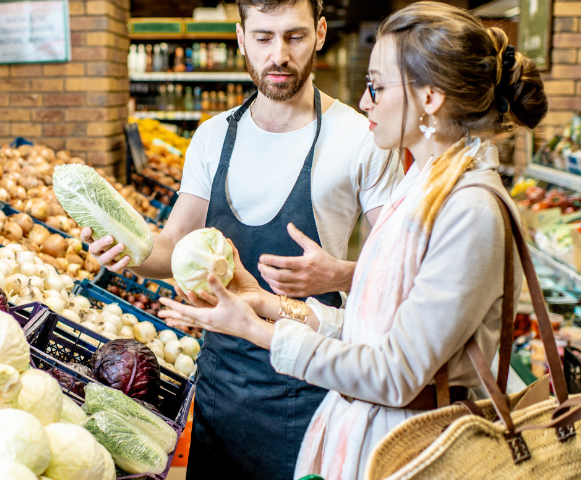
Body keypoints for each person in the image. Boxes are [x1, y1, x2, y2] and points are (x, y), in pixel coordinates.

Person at [158, 2, 549, 479]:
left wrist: (257, 329)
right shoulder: (425, 189)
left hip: (414, 447)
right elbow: (368, 327)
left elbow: (394, 374)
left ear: (429, 98)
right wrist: (260, 301)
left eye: (377, 87)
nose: (365, 102)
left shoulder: (469, 211)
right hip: (363, 429)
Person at [82, 0, 399, 477]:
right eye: (263, 37)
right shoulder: (213, 136)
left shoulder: (359, 137)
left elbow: (396, 276)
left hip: (312, 383)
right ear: (240, 38)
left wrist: (339, 273)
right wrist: (130, 251)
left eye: (293, 37)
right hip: (220, 387)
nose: (279, 55)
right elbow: (173, 248)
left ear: (320, 33)